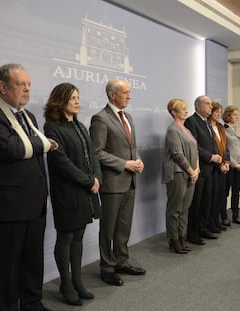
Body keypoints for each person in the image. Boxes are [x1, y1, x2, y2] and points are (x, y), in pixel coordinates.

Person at [0, 63, 57, 311]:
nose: (27, 89)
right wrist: (44, 143)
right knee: (7, 267)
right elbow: (11, 149)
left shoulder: (29, 117)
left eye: (29, 84)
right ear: (3, 87)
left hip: (35, 203)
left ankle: (32, 303)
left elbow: (32, 152)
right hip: (9, 207)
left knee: (33, 262)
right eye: (21, 84)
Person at [43, 83, 102, 306]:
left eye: (78, 97)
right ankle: (65, 285)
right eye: (73, 98)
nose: (78, 101)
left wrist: (97, 178)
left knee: (78, 236)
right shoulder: (51, 128)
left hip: (86, 191)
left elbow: (93, 155)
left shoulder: (79, 125)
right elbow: (61, 163)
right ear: (60, 101)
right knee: (66, 237)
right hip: (68, 192)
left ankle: (77, 282)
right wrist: (89, 181)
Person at [90, 78, 145, 287]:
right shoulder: (100, 119)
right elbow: (97, 153)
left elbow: (133, 147)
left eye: (129, 92)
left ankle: (122, 261)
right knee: (108, 228)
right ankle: (107, 267)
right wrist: (125, 164)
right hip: (112, 184)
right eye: (125, 92)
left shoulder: (127, 116)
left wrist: (137, 160)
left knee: (123, 227)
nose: (129, 96)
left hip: (130, 181)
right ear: (112, 95)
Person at [162, 98, 199, 254]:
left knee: (185, 208)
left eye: (186, 108)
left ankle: (182, 238)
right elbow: (177, 154)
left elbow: (195, 151)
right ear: (173, 112)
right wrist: (191, 171)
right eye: (182, 109)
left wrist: (196, 169)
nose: (186, 111)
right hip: (178, 173)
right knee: (175, 209)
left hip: (191, 173)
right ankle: (173, 240)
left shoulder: (187, 130)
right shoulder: (172, 130)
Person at [184, 95, 222, 245]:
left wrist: (218, 157)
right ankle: (192, 233)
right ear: (198, 106)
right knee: (196, 203)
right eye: (207, 104)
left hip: (210, 169)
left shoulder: (206, 122)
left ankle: (203, 228)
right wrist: (210, 157)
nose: (210, 107)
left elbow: (211, 143)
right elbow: (194, 145)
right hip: (199, 168)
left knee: (206, 201)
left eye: (211, 104)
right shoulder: (191, 121)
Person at [222, 105, 240, 226]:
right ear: (228, 115)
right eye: (234, 114)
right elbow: (224, 150)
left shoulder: (239, 129)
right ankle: (223, 216)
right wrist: (235, 164)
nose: (237, 117)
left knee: (236, 192)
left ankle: (236, 216)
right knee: (225, 192)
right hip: (230, 165)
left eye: (238, 114)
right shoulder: (223, 130)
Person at [207, 102, 229, 232]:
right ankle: (211, 222)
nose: (219, 114)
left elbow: (225, 146)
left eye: (220, 112)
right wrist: (220, 163)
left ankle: (216, 220)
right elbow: (212, 147)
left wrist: (226, 162)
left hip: (223, 165)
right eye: (216, 112)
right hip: (213, 166)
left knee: (221, 195)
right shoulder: (208, 126)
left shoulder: (221, 127)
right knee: (212, 197)